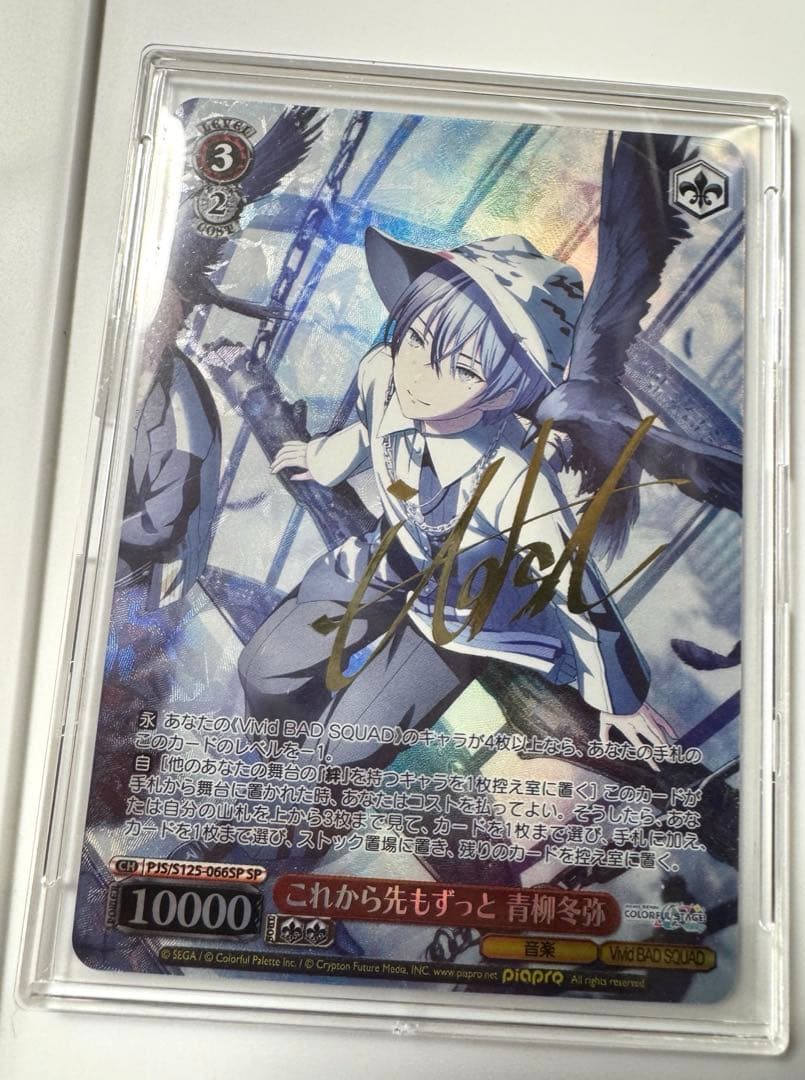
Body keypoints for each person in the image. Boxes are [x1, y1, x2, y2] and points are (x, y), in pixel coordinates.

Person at [237, 228, 672, 767]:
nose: (420, 375)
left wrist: (620, 699)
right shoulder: (382, 374)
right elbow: (369, 432)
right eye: (417, 339)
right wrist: (319, 458)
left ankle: (313, 795)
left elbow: (577, 590)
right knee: (264, 670)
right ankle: (274, 757)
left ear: (508, 390)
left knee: (346, 745)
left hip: (466, 618)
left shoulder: (514, 481)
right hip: (388, 558)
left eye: (464, 368)